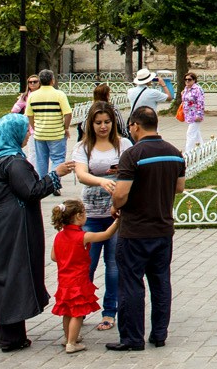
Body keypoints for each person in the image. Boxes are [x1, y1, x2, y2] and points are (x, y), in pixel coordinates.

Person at [0, 112, 74, 352]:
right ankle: (11, 337)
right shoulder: (14, 162)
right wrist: (56, 174)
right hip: (15, 228)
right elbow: (31, 191)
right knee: (14, 274)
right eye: (25, 131)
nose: (28, 135)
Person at [107, 105, 186, 352]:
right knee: (161, 282)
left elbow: (121, 194)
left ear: (135, 126)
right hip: (163, 229)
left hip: (135, 231)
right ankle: (159, 333)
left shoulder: (132, 155)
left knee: (131, 283)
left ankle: (132, 338)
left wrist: (116, 206)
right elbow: (179, 187)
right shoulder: (174, 153)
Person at [72, 101, 128, 333]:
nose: (103, 127)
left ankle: (109, 312)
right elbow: (81, 174)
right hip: (91, 215)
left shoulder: (123, 144)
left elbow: (129, 172)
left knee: (114, 265)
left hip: (116, 214)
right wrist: (101, 180)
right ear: (90, 124)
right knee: (87, 264)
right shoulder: (83, 147)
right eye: (98, 123)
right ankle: (81, 308)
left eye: (107, 122)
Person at [49, 200, 120, 353]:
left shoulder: (59, 236)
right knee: (77, 312)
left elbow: (54, 257)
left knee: (67, 311)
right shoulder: (83, 236)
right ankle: (72, 344)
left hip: (64, 281)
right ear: (79, 216)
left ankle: (68, 337)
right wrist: (117, 222)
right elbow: (106, 235)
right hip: (78, 280)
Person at [25, 69, 72, 183]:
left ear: (40, 81)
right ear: (52, 80)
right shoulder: (59, 94)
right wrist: (65, 128)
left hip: (40, 134)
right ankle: (54, 183)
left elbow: (29, 115)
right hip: (57, 133)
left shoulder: (33, 96)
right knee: (57, 159)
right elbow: (68, 113)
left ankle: (44, 183)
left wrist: (34, 127)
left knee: (41, 160)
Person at [178, 72, 205, 152]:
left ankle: (188, 151)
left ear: (194, 80)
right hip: (188, 114)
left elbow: (200, 102)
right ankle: (202, 149)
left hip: (195, 114)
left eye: (189, 79)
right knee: (196, 133)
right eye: (185, 80)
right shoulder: (186, 89)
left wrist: (199, 115)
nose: (187, 81)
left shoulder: (197, 89)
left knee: (190, 133)